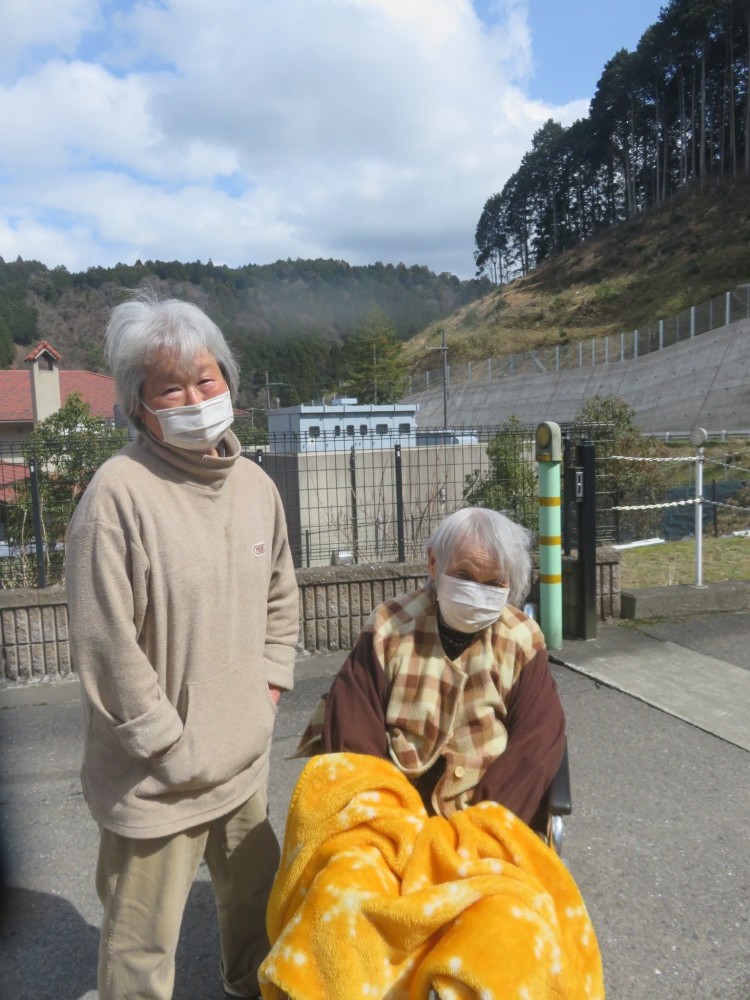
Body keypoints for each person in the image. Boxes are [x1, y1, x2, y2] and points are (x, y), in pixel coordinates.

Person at [65, 290, 299, 1000]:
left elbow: (281, 593)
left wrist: (269, 687)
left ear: (229, 382)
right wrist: (170, 743)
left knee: (257, 913)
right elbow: (106, 645)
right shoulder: (117, 495)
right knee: (141, 950)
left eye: (207, 379)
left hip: (242, 757)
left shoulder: (256, 485)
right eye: (172, 386)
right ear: (140, 405)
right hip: (156, 778)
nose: (195, 397)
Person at [298, 506, 565, 828]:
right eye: (464, 576)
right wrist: (386, 816)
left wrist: (489, 824)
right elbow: (354, 726)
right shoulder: (390, 625)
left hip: (486, 806)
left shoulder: (522, 639)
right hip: (393, 805)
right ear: (433, 562)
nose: (477, 593)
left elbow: (537, 740)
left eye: (494, 583)